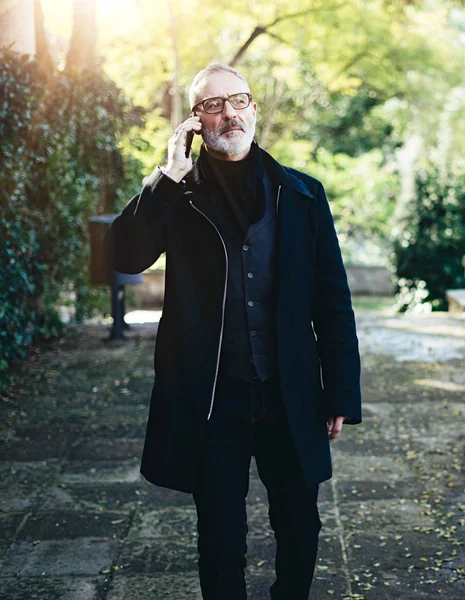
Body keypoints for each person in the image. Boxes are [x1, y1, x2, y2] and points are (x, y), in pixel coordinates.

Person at [108, 63, 362, 600]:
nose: (229, 113)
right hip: (211, 400)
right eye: (214, 105)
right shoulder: (176, 194)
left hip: (288, 392)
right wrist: (163, 178)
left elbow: (332, 300)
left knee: (301, 528)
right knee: (221, 539)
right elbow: (125, 255)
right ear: (197, 121)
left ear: (254, 108)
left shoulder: (302, 195)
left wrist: (340, 389)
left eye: (239, 100)